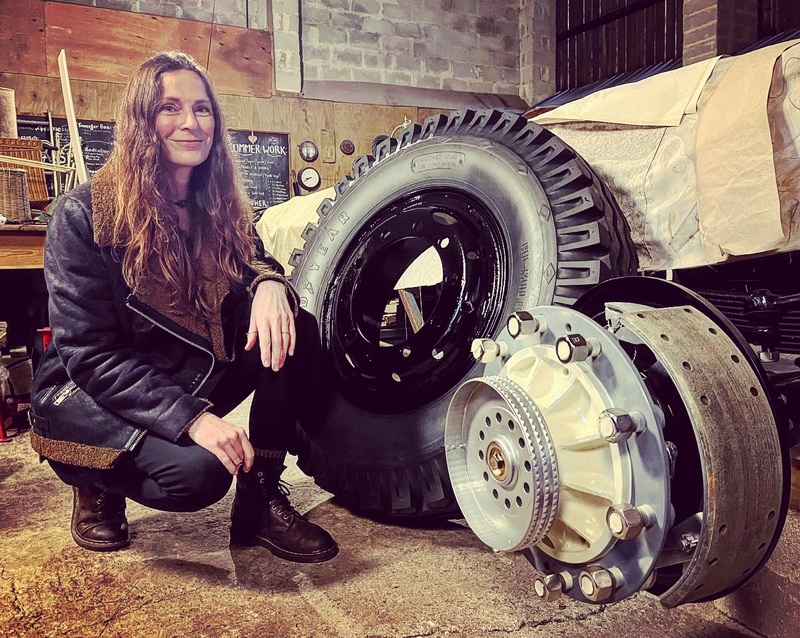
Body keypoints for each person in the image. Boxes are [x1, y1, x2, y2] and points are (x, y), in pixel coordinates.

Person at [28, 51, 338, 563]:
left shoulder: (216, 202)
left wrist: (267, 285)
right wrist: (192, 419)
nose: (191, 123)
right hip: (92, 390)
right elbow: (89, 353)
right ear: (141, 121)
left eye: (202, 109)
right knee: (197, 477)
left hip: (182, 366)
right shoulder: (84, 216)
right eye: (170, 108)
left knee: (295, 327)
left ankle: (260, 501)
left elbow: (255, 256)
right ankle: (94, 479)